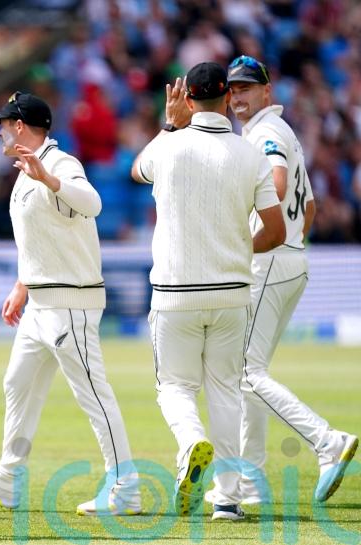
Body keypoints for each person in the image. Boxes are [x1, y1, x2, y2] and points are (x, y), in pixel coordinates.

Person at [0, 92, 141, 517]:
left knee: (94, 395)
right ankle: (9, 476)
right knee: (17, 383)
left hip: (69, 304)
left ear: (20, 126)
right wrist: (22, 283)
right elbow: (42, 236)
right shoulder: (25, 169)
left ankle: (126, 489)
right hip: (41, 303)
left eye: (4, 124)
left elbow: (92, 203)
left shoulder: (59, 163)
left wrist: (50, 179)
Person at [131, 62, 286, 521]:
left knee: (174, 387)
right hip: (233, 291)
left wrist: (168, 123)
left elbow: (137, 171)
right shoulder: (250, 153)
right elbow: (275, 231)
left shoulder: (170, 146)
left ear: (188, 97)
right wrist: (239, 250)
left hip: (175, 291)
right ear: (226, 98)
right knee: (226, 392)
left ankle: (189, 441)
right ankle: (228, 499)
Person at [204, 55, 357, 505]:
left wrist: (254, 238)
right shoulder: (277, 132)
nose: (237, 97)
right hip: (288, 260)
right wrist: (291, 241)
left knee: (245, 374)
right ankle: (250, 484)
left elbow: (279, 182)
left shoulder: (267, 133)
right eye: (232, 90)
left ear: (267, 92)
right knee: (248, 375)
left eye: (247, 89)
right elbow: (308, 208)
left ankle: (327, 442)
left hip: (268, 260)